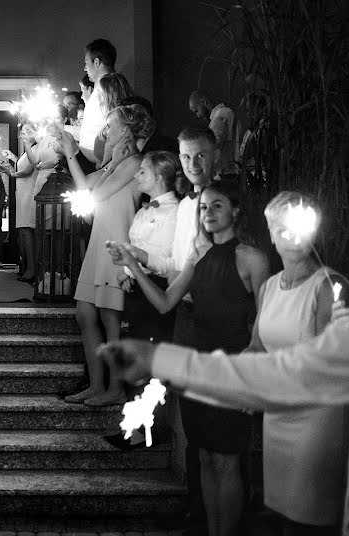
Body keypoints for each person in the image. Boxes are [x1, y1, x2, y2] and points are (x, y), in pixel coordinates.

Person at [101, 98, 349, 536]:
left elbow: (303, 372)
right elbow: (288, 368)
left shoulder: (312, 281)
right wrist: (160, 361)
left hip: (312, 430)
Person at [110, 180, 271, 536]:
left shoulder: (252, 258)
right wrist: (133, 266)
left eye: (217, 206)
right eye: (203, 207)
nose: (208, 213)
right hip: (195, 361)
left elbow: (265, 317)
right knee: (204, 456)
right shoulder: (198, 255)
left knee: (227, 459)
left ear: (235, 211)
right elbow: (167, 302)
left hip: (231, 364)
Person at [116, 123, 220, 533]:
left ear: (215, 157)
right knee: (194, 424)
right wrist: (134, 262)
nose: (193, 164)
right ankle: (197, 505)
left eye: (201, 156)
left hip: (211, 314)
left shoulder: (212, 205)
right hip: (182, 307)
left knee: (214, 431)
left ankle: (212, 514)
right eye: (187, 156)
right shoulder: (183, 210)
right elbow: (173, 266)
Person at [241, 190, 349, 535]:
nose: (292, 236)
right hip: (278, 418)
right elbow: (258, 345)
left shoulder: (330, 286)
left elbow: (327, 365)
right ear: (271, 235)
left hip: (317, 420)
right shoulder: (270, 287)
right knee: (285, 517)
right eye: (281, 227)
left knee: (311, 518)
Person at [57, 104, 146, 406]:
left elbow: (94, 197)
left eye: (111, 125)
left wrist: (111, 165)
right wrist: (70, 153)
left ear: (128, 129)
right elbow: (84, 188)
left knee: (110, 318)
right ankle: (96, 384)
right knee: (85, 313)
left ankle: (116, 389)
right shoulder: (116, 162)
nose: (107, 131)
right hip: (99, 242)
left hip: (116, 243)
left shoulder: (135, 162)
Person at [104, 151, 181, 449]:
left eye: (142, 173)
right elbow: (133, 244)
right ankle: (133, 426)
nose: (135, 176)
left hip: (156, 289)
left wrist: (138, 260)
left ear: (159, 177)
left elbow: (168, 261)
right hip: (135, 288)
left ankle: (145, 431)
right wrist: (126, 271)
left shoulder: (175, 213)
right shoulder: (143, 210)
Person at [0, 149, 36, 282]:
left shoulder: (36, 150)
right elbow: (24, 167)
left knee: (27, 231)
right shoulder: (26, 153)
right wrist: (14, 159)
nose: (23, 134)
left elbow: (27, 171)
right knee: (22, 232)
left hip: (30, 192)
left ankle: (32, 268)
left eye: (26, 132)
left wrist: (10, 173)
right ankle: (26, 267)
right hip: (22, 192)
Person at [78, 39, 118, 164]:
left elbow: (115, 129)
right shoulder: (98, 90)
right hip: (90, 159)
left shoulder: (109, 90)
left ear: (96, 62)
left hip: (98, 165)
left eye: (86, 63)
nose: (85, 68)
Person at [190, 90, 237, 179]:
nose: (198, 115)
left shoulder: (221, 114)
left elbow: (214, 143)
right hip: (226, 173)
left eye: (196, 111)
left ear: (203, 102)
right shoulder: (223, 114)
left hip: (226, 174)